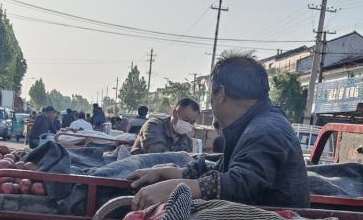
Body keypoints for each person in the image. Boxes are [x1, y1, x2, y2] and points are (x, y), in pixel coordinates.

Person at [129, 53, 309, 210]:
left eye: (212, 96)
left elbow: (241, 183)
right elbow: (219, 172)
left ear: (221, 93)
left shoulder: (267, 129)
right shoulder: (251, 125)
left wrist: (175, 188)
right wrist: (164, 173)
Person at [130, 98, 200, 155]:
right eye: (186, 120)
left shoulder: (187, 141)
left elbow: (186, 164)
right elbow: (158, 155)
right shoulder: (154, 125)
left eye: (192, 122)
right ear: (175, 113)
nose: (188, 125)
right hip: (138, 169)